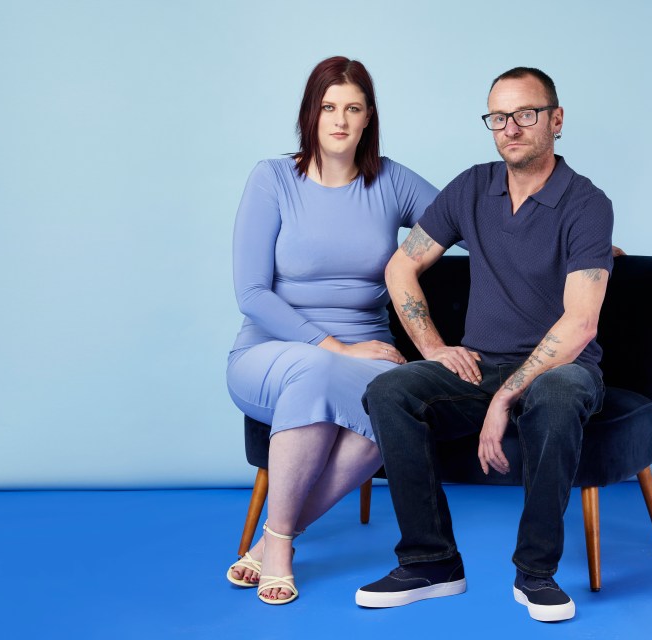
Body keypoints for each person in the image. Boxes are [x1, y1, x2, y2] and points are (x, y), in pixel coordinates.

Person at [355, 67, 614, 622]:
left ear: (556, 120)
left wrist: (505, 399)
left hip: (561, 368)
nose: (510, 128)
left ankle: (535, 574)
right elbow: (401, 266)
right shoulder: (472, 186)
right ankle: (432, 562)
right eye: (499, 117)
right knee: (390, 392)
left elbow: (581, 324)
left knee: (560, 392)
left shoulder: (586, 203)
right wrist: (431, 346)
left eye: (525, 114)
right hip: (480, 365)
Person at [225, 56, 438, 605]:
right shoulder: (272, 179)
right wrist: (333, 346)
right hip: (269, 354)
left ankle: (276, 539)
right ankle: (277, 547)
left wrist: (572, 246)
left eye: (353, 108)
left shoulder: (392, 181)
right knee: (319, 368)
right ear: (310, 114)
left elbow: (473, 226)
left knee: (396, 400)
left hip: (364, 352)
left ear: (369, 118)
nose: (339, 120)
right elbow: (252, 294)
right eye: (328, 107)